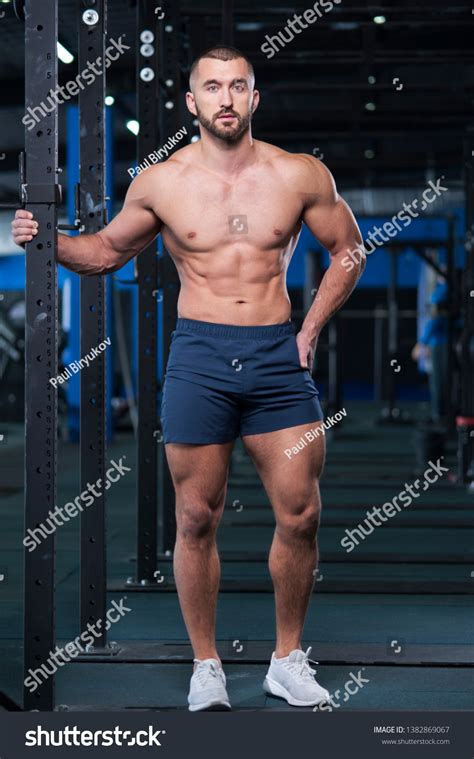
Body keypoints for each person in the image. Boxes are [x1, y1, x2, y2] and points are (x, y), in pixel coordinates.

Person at [12, 45, 365, 711]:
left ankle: (287, 659)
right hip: (199, 355)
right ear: (192, 103)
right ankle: (207, 665)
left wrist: (310, 328)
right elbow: (107, 250)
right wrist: (47, 239)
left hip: (275, 357)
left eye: (238, 86)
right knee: (196, 515)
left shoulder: (299, 174)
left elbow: (348, 249)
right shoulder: (161, 182)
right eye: (212, 87)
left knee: (303, 510)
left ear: (254, 98)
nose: (226, 98)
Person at [411, 277, 449, 423]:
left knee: (439, 381)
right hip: (441, 343)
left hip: (441, 344)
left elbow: (436, 318)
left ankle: (439, 416)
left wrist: (422, 344)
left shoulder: (443, 292)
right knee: (440, 380)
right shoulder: (445, 290)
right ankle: (441, 414)